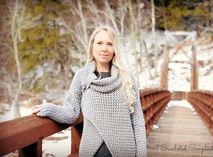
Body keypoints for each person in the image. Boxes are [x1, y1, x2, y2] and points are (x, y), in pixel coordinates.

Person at [32, 25, 147, 157]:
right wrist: (49, 109)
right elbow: (71, 112)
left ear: (115, 49)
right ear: (92, 46)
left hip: (125, 151)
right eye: (99, 43)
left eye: (110, 44)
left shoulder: (126, 77)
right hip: (92, 152)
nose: (104, 48)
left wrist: (142, 154)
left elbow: (137, 120)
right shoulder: (82, 77)